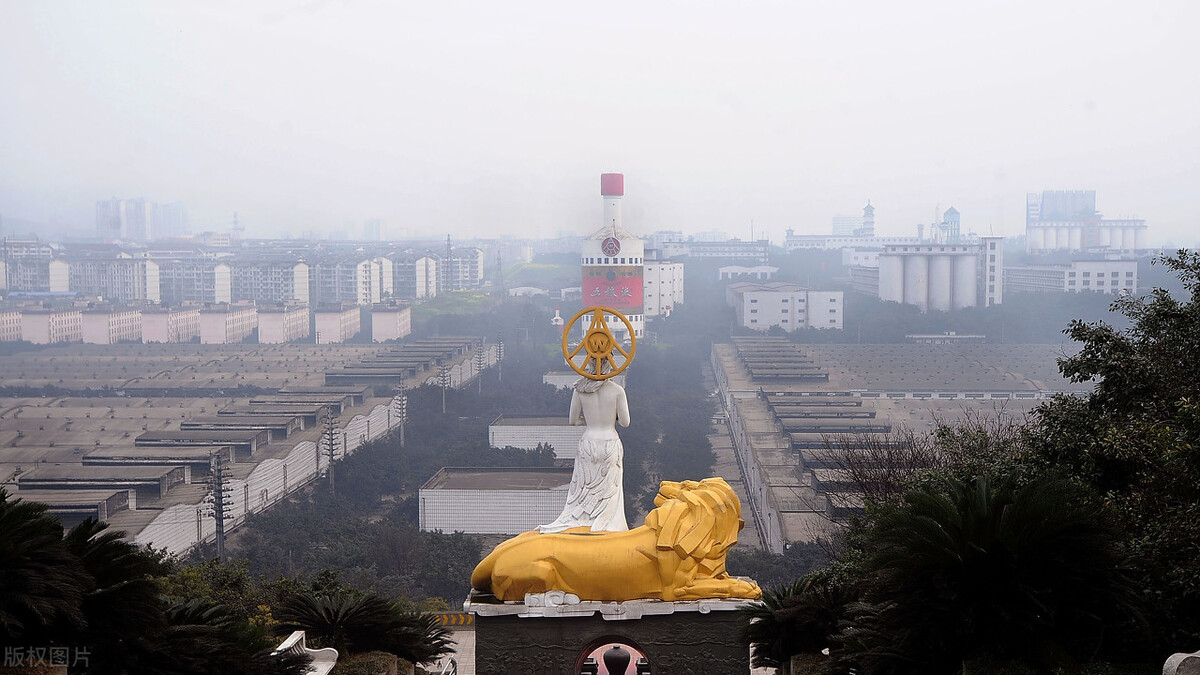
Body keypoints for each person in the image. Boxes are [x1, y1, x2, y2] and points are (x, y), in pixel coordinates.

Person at [538, 364, 630, 534]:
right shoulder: (617, 391)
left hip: (588, 442)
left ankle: (583, 519)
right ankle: (605, 524)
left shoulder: (580, 389)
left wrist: (589, 421)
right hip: (610, 442)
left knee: (584, 487)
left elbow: (573, 421)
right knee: (609, 490)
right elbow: (625, 422)